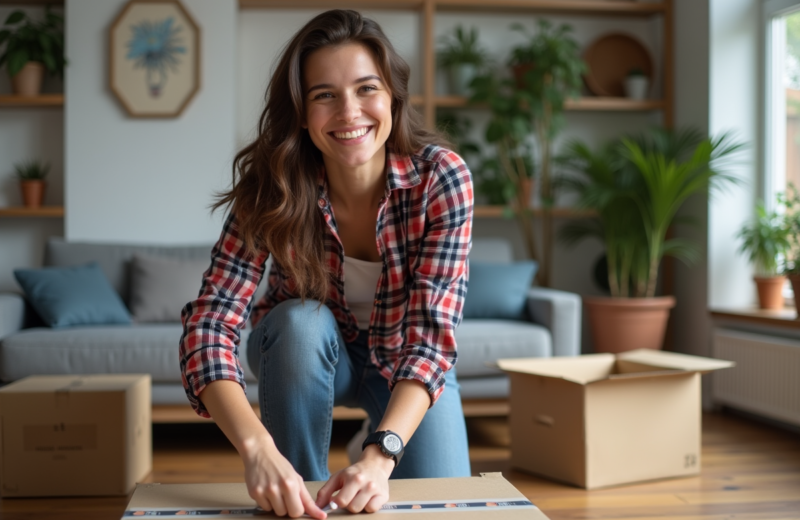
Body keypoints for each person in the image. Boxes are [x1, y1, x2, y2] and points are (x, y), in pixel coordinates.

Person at [179, 9, 473, 519]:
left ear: (393, 97)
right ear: (300, 111)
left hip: (404, 366)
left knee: (443, 504)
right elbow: (208, 324)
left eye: (366, 89)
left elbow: (429, 341)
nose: (349, 112)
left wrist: (380, 457)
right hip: (308, 356)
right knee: (299, 321)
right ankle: (297, 488)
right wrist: (256, 450)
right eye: (324, 96)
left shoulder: (441, 179)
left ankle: (372, 433)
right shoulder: (272, 187)